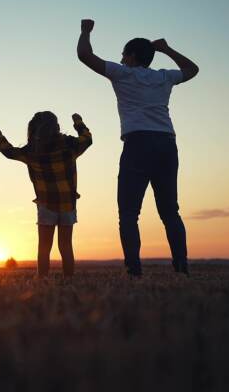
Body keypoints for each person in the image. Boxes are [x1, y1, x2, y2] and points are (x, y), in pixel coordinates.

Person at [76, 19, 199, 277]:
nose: (120, 60)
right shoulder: (164, 76)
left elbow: (84, 55)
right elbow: (192, 69)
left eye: (123, 55)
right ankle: (181, 267)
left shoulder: (124, 73)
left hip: (138, 144)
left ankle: (134, 270)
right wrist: (167, 49)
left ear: (131, 56)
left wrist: (86, 30)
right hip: (166, 144)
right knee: (170, 211)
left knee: (129, 213)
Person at [0, 112, 92, 277]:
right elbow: (87, 139)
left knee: (44, 247)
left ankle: (42, 280)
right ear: (57, 128)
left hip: (46, 205)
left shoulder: (32, 151)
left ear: (33, 130)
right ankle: (69, 281)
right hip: (68, 204)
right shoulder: (69, 145)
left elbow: (10, 152)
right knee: (66, 246)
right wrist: (78, 122)